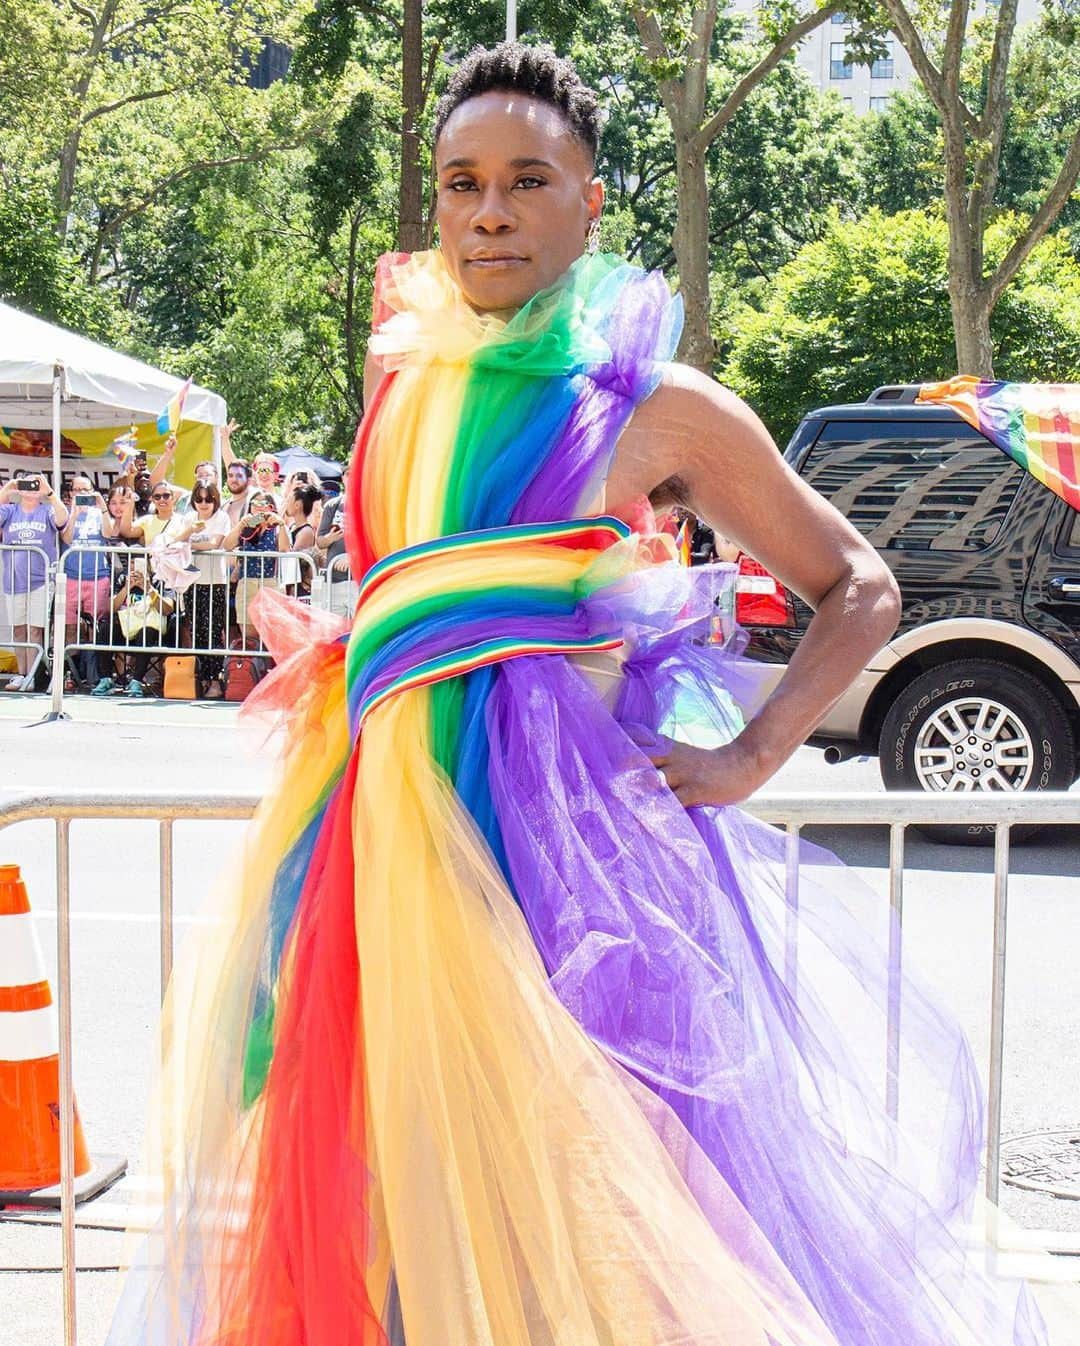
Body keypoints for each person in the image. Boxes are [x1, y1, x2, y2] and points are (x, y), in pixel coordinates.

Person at [106, 44, 1054, 1346]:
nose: (489, 209)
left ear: (590, 200)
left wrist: (751, 755)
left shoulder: (652, 405)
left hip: (566, 875)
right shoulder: (404, 383)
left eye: (526, 179)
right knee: (376, 1208)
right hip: (373, 854)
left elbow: (860, 585)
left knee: (586, 1215)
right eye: (461, 182)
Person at [0, 473, 67, 689]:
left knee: (35, 629)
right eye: (25, 484)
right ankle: (22, 674)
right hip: (14, 579)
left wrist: (48, 492)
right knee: (19, 628)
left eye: (34, 484)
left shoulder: (46, 510)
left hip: (41, 580)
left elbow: (62, 519)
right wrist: (8, 489)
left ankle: (32, 674)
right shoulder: (10, 511)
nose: (30, 488)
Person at [59, 473, 117, 689]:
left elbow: (110, 533)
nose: (82, 494)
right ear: (71, 492)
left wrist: (101, 506)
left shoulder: (98, 513)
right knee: (70, 627)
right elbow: (65, 538)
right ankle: (70, 674)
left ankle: (95, 675)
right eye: (78, 490)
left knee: (96, 627)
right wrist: (74, 510)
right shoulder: (65, 511)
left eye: (86, 490)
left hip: (97, 576)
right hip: (72, 576)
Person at [178, 481, 231, 698]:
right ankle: (204, 678)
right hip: (192, 580)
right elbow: (177, 541)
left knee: (214, 631)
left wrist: (189, 543)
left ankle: (216, 679)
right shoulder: (189, 518)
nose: (203, 503)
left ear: (215, 500)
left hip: (215, 580)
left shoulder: (222, 518)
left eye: (208, 499)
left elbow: (214, 543)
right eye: (199, 499)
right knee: (197, 631)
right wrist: (189, 534)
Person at [222, 489, 288, 646]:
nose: (259, 507)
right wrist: (240, 525)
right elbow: (227, 546)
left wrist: (282, 524)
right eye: (255, 504)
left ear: (271, 507)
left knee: (271, 634)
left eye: (264, 504)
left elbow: (285, 549)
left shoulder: (277, 528)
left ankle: (270, 668)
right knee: (249, 637)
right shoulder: (246, 529)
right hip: (248, 584)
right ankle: (253, 669)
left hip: (271, 583)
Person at [316, 466, 351, 617]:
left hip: (358, 581)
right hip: (333, 581)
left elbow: (374, 539)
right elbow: (319, 541)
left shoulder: (368, 504)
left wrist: (353, 558)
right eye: (348, 474)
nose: (352, 477)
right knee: (333, 633)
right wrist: (330, 538)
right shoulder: (332, 505)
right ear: (343, 478)